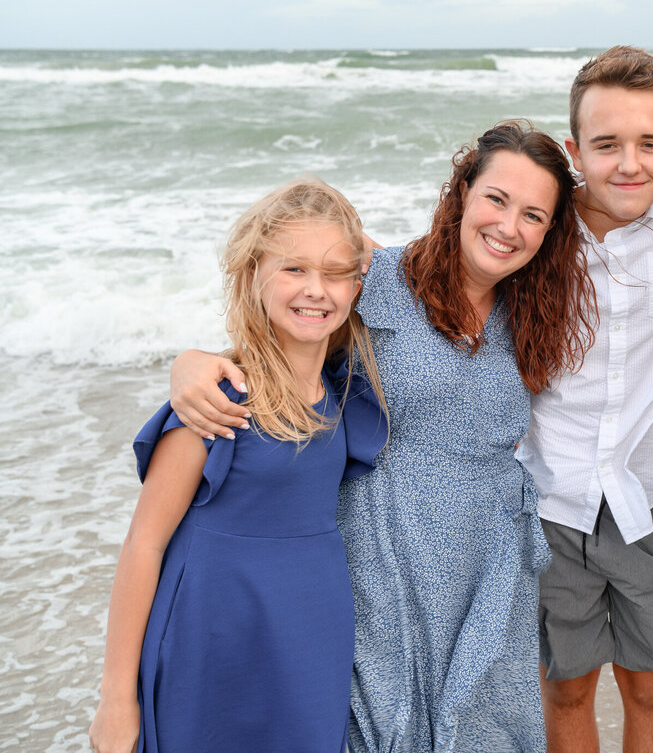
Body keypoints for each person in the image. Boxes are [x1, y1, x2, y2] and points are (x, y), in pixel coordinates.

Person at [167, 122, 596, 752]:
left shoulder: (535, 310)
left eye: (534, 215)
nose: (509, 226)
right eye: (497, 200)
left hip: (489, 565)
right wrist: (193, 362)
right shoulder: (380, 278)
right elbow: (285, 320)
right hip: (382, 557)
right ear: (463, 192)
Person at [88, 178, 388, 753]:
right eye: (293, 269)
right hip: (212, 641)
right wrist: (115, 698)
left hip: (310, 645)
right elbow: (143, 545)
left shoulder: (347, 395)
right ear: (253, 274)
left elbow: (416, 273)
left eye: (334, 273)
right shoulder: (217, 403)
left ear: (357, 284)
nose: (315, 290)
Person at [519, 46, 653, 753]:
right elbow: (420, 278)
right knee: (565, 686)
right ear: (575, 150)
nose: (629, 163)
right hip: (547, 500)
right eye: (606, 144)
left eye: (650, 144)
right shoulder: (533, 227)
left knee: (651, 685)